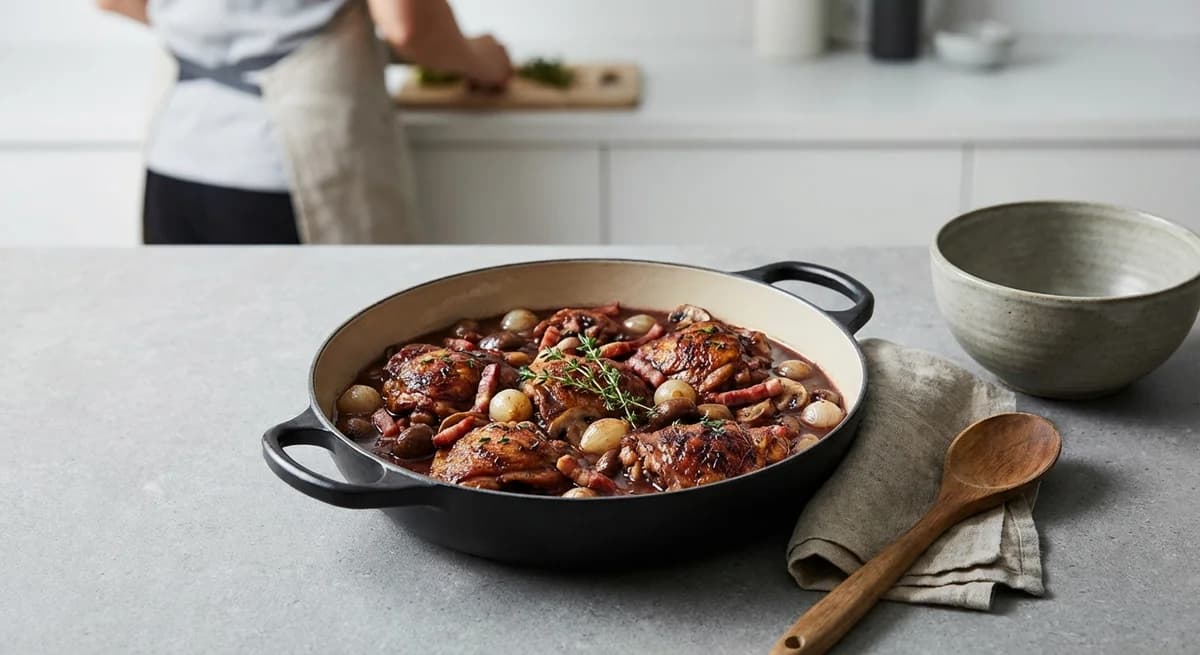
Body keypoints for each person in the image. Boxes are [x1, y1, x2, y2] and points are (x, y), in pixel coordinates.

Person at [96, 0, 512, 244]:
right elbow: (408, 25)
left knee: (195, 357)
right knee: (329, 365)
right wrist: (480, 62)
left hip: (174, 161)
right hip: (294, 173)